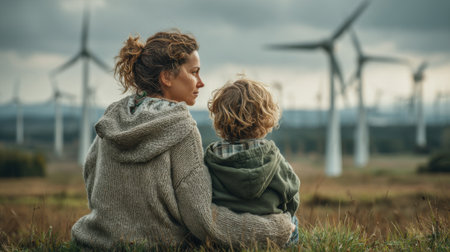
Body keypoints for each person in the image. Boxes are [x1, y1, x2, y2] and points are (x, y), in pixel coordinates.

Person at [71, 30, 293, 250]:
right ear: (166, 77)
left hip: (96, 241)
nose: (201, 82)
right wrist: (275, 228)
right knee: (293, 230)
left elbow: (91, 178)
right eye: (194, 72)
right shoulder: (181, 128)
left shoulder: (112, 120)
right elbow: (204, 221)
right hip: (160, 245)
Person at [204, 78, 301, 246]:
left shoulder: (211, 157)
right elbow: (292, 195)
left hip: (228, 235)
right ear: (266, 117)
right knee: (294, 221)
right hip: (273, 235)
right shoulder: (273, 156)